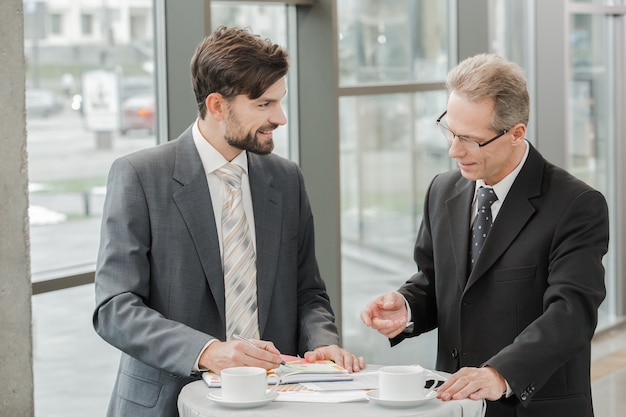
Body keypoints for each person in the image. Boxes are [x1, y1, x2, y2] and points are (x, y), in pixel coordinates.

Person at [93, 26, 364, 417]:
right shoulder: (140, 175)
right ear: (218, 105)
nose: (280, 118)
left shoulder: (286, 179)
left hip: (277, 400)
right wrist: (208, 352)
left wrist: (322, 342)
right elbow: (115, 307)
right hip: (168, 404)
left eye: (280, 102)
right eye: (264, 105)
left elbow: (308, 293)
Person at [360, 53, 608, 417]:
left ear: (516, 133)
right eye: (450, 130)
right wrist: (407, 305)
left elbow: (572, 313)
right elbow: (433, 281)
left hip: (535, 406)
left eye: (470, 139)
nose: (453, 150)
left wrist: (500, 372)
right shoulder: (442, 191)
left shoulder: (576, 204)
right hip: (455, 404)